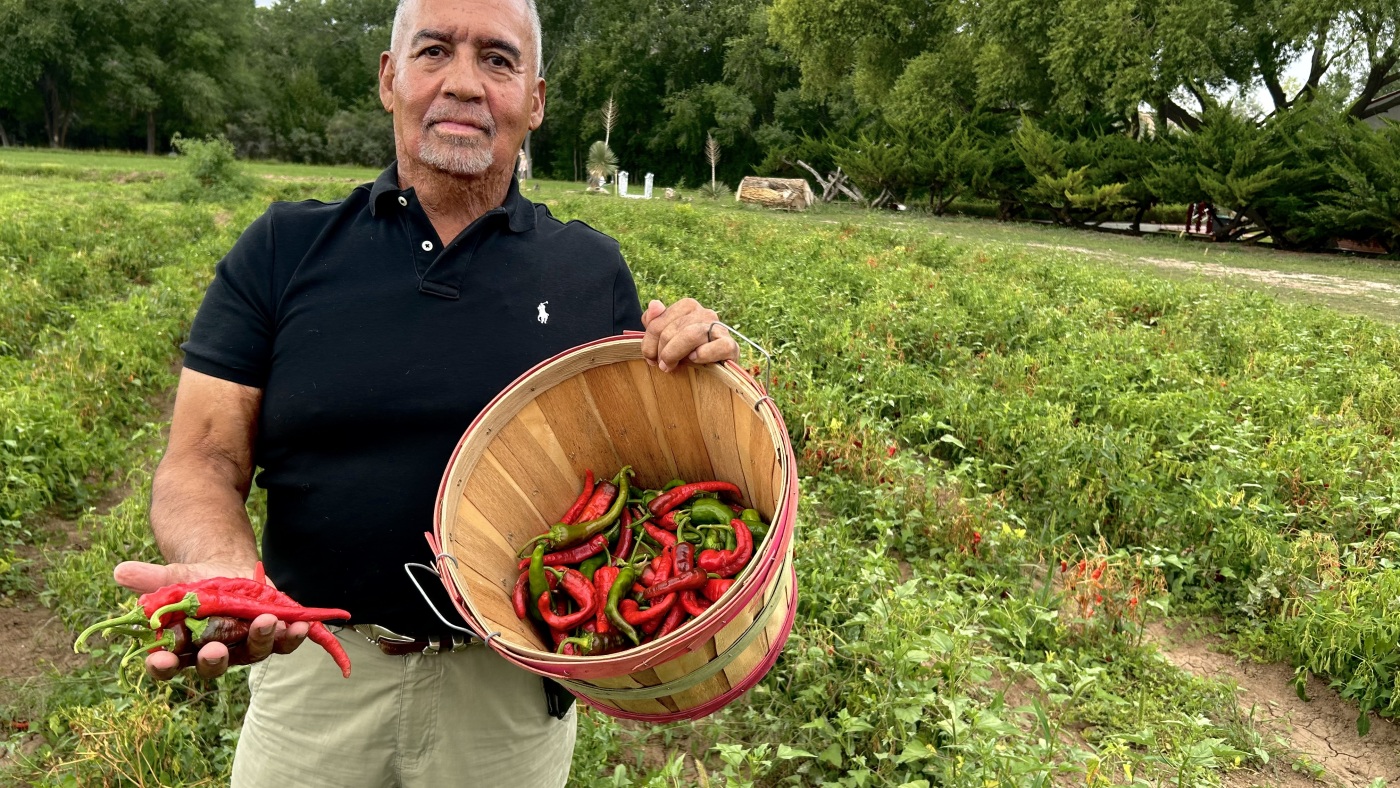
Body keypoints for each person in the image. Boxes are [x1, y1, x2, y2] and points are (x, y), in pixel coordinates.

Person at [109, 0, 739, 784]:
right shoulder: (282, 249)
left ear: (535, 100)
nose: (465, 84)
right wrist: (224, 570)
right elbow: (199, 460)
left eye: (499, 60)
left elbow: (639, 469)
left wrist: (702, 369)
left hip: (504, 696)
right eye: (435, 50)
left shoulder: (587, 271)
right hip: (316, 677)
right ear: (390, 78)